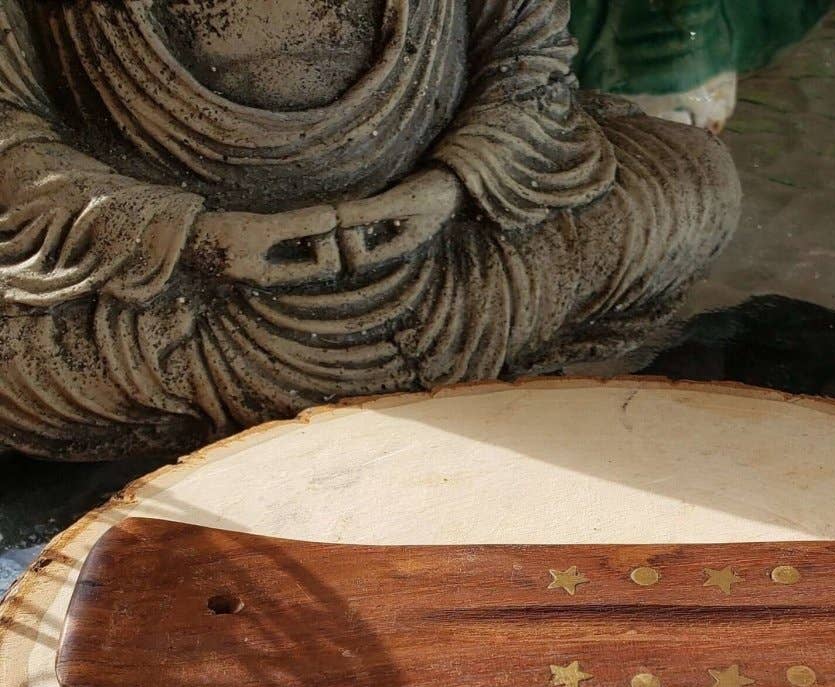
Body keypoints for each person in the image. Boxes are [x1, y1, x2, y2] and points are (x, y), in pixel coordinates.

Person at [0, 0, 739, 458]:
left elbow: (527, 68)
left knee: (692, 182)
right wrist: (192, 238)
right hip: (185, 296)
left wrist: (452, 187)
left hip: (453, 260)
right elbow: (10, 140)